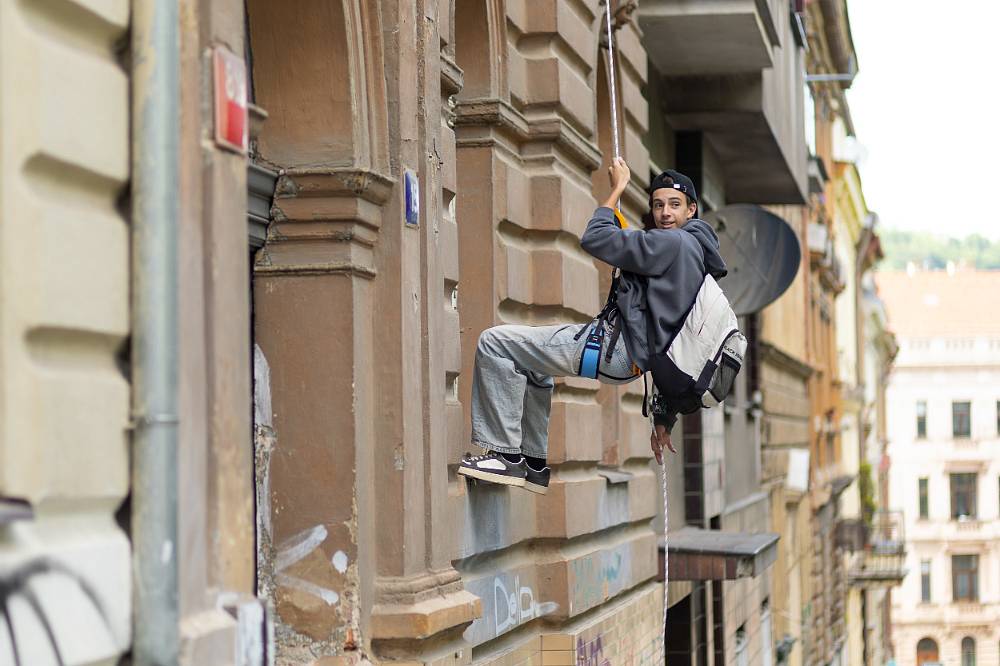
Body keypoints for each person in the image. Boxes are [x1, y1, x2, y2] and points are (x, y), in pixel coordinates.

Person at [457, 158, 727, 494]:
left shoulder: (671, 244)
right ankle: (533, 462)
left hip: (611, 349)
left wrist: (616, 189)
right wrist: (663, 418)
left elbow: (595, 238)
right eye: (658, 205)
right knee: (532, 363)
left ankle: (504, 456)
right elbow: (675, 342)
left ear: (692, 210)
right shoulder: (696, 254)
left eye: (674, 205)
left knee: (495, 343)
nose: (665, 214)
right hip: (626, 357)